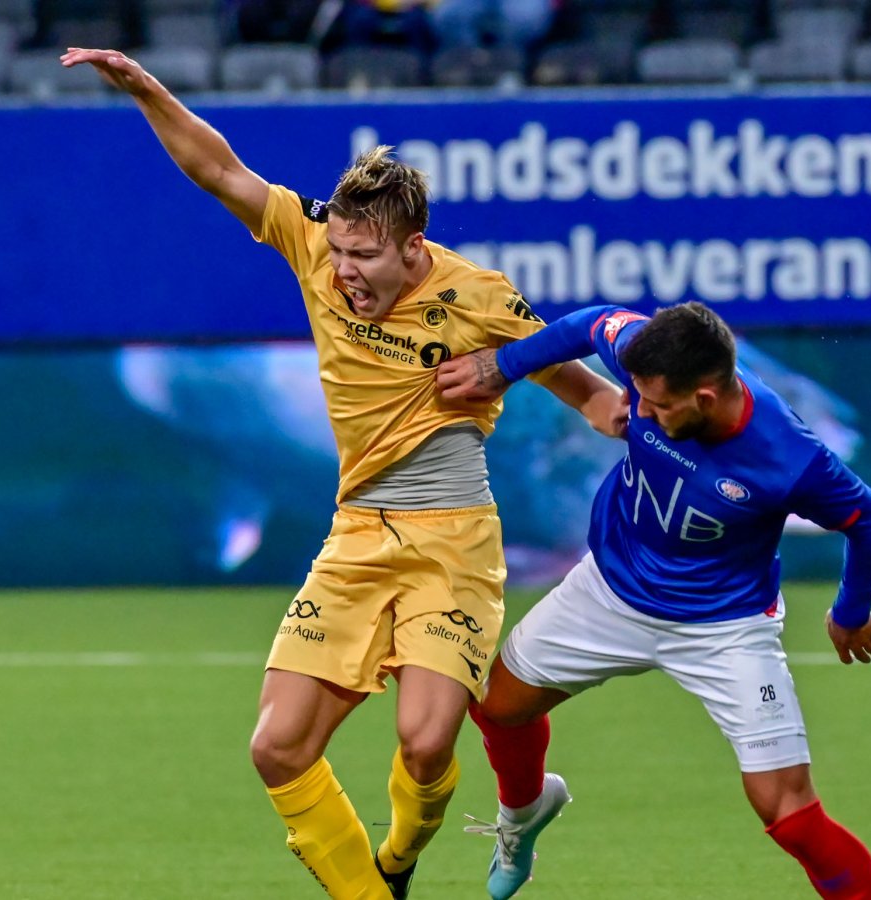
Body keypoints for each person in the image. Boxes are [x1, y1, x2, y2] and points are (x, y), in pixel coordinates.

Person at [59, 48, 623, 900]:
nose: (346, 269)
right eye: (341, 249)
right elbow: (217, 168)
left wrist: (653, 422)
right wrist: (144, 88)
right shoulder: (314, 245)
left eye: (366, 254)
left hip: (453, 543)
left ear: (413, 247)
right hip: (357, 538)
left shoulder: (482, 299)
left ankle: (397, 857)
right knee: (276, 748)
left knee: (427, 744)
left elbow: (588, 397)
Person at [436, 301, 871, 899]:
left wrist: (850, 612)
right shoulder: (645, 358)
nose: (638, 412)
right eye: (638, 394)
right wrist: (503, 365)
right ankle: (522, 817)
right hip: (608, 590)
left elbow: (870, 518)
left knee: (789, 814)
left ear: (705, 397)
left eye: (657, 404)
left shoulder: (789, 458)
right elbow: (587, 323)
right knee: (497, 706)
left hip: (723, 626)